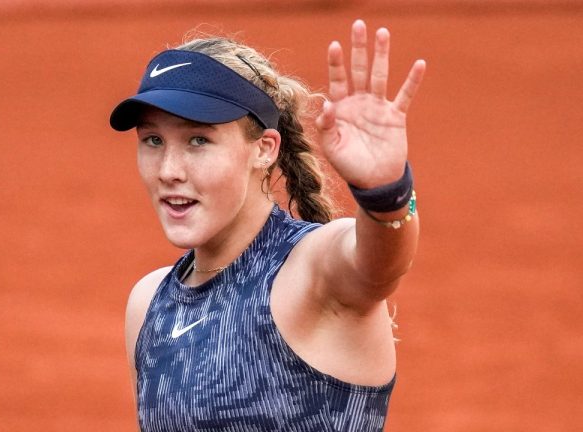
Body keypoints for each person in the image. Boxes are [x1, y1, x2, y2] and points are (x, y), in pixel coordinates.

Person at [109, 19, 426, 432]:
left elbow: (381, 262)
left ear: (263, 149)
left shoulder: (313, 270)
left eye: (198, 140)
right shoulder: (148, 304)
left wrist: (385, 192)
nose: (168, 170)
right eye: (153, 140)